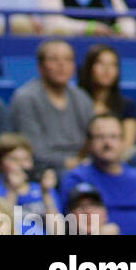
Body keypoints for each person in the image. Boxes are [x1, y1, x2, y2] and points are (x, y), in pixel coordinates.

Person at [58, 113, 136, 235]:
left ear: (123, 141)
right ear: (88, 143)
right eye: (100, 137)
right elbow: (69, 226)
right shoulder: (77, 179)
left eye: (113, 137)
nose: (107, 143)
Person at [9, 40, 95, 173]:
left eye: (68, 59)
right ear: (41, 66)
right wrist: (67, 162)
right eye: (54, 59)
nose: (62, 65)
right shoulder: (26, 98)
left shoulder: (82, 97)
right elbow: (32, 148)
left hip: (81, 162)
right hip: (44, 168)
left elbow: (92, 137)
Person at [76, 46, 136, 165]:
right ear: (89, 68)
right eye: (100, 63)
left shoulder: (127, 105)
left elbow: (128, 142)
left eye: (113, 65)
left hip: (117, 159)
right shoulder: (75, 102)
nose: (107, 70)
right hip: (82, 158)